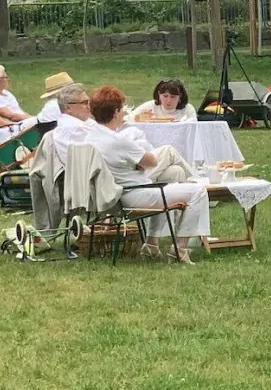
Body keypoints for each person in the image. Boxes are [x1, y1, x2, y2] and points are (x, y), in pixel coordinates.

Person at [82, 85, 208, 263]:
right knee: (198, 191)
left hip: (114, 193)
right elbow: (152, 162)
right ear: (117, 112)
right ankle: (180, 249)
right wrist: (137, 164)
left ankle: (151, 244)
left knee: (173, 173)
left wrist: (133, 165)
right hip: (132, 194)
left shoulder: (91, 137)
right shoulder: (118, 140)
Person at [48, 83, 94, 159]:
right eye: (84, 103)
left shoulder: (74, 123)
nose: (89, 106)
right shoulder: (75, 128)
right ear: (68, 108)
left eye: (89, 102)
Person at [132, 78, 198, 122]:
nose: (168, 100)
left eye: (173, 97)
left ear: (180, 96)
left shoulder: (188, 110)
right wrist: (140, 117)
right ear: (159, 94)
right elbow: (128, 119)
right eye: (165, 96)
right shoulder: (149, 106)